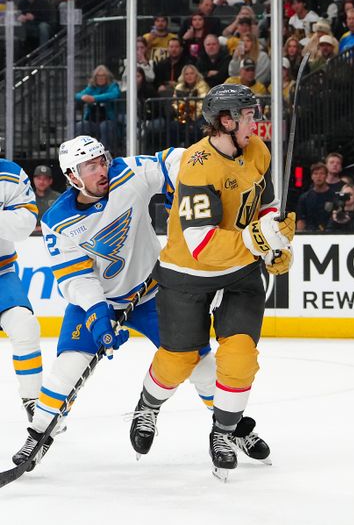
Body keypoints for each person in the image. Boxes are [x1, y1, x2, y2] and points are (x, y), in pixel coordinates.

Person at [10, 136, 262, 470]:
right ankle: (38, 435)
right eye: (90, 166)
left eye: (102, 161)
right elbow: (75, 278)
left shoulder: (127, 173)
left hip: (153, 294)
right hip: (97, 304)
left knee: (200, 364)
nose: (101, 169)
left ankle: (231, 428)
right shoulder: (57, 221)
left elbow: (178, 160)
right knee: (66, 371)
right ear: (73, 176)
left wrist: (185, 188)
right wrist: (99, 315)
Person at [128, 84, 295, 480]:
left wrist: (274, 243)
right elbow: (200, 244)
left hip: (240, 273)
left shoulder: (256, 150)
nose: (256, 121)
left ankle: (222, 433)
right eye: (249, 115)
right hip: (188, 272)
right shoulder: (197, 165)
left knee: (239, 356)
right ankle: (148, 406)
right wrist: (257, 242)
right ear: (226, 121)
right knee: (179, 359)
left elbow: (264, 204)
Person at [0, 155, 42, 423]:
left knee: (25, 326)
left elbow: (25, 225)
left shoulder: (10, 173)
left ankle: (35, 402)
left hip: (1, 273)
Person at [75, 65, 121, 151]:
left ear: (107, 77)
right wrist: (83, 97)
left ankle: (103, 153)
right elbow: (77, 95)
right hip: (92, 121)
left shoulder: (112, 86)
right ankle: (82, 152)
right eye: (98, 76)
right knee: (80, 126)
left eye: (103, 75)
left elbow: (114, 94)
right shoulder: (92, 88)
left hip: (108, 121)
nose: (100, 78)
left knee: (105, 126)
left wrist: (94, 98)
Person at [296, 162, 336, 232]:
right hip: (310, 233)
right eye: (315, 173)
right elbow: (301, 220)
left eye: (321, 173)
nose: (318, 176)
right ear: (312, 176)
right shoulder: (304, 198)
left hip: (330, 233)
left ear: (326, 176)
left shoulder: (333, 196)